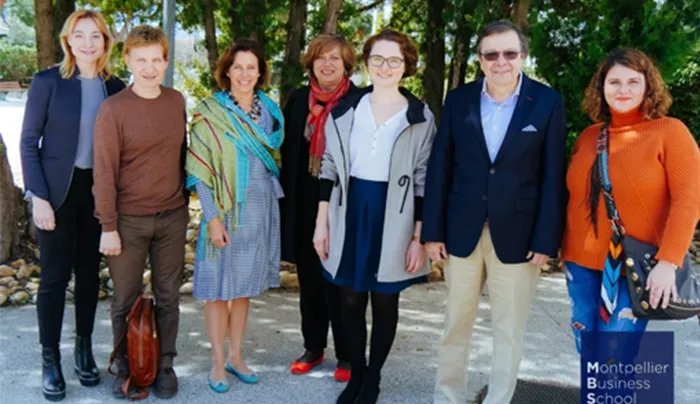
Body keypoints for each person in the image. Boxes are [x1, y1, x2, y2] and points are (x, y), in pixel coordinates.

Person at [421, 20, 567, 404]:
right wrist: (432, 231)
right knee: (455, 325)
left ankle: (499, 400)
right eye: (491, 54)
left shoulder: (548, 102)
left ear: (523, 55)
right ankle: (447, 398)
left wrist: (545, 239)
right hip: (460, 233)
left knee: (509, 330)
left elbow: (553, 177)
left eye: (509, 53)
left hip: (520, 237)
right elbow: (440, 168)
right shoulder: (459, 100)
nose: (500, 61)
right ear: (480, 59)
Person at [314, 29, 436, 404]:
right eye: (378, 59)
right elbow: (329, 166)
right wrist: (322, 223)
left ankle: (375, 379)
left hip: (394, 216)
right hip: (349, 211)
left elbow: (422, 180)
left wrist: (418, 237)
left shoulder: (420, 116)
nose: (385, 67)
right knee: (349, 298)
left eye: (394, 60)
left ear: (406, 66)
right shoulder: (346, 108)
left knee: (385, 300)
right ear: (367, 62)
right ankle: (357, 373)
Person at [561, 48, 700, 352]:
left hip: (634, 266)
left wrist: (668, 262)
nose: (623, 89)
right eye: (614, 82)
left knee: (615, 354)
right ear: (602, 88)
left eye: (633, 82)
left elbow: (688, 201)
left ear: (648, 86)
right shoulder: (589, 137)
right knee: (588, 350)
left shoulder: (670, 132)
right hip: (580, 265)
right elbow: (575, 198)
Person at [19, 9, 125, 401]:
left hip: (98, 195)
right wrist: (39, 197)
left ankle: (83, 351)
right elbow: (29, 142)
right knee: (53, 279)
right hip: (56, 193)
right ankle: (50, 361)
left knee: (88, 277)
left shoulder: (116, 87)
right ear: (67, 40)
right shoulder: (48, 82)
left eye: (95, 36)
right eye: (79, 35)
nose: (87, 43)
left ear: (105, 42)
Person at [93, 25, 189, 399]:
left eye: (156, 60)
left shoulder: (176, 101)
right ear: (128, 60)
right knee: (125, 299)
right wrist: (108, 225)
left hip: (171, 216)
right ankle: (125, 366)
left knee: (169, 297)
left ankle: (164, 364)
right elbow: (103, 171)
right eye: (141, 60)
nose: (149, 67)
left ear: (165, 61)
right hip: (127, 221)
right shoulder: (113, 108)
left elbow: (180, 157)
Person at [186, 39, 284, 393]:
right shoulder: (209, 112)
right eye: (238, 67)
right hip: (223, 212)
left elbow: (274, 161)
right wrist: (211, 219)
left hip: (259, 209)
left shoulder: (270, 112)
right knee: (217, 291)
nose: (245, 74)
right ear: (227, 71)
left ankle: (237, 357)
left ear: (260, 73)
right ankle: (216, 362)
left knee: (243, 291)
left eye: (251, 68)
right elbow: (199, 171)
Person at [280, 34, 361, 382]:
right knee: (310, 279)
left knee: (342, 282)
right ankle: (314, 346)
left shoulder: (360, 102)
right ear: (310, 63)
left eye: (334, 58)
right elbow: (285, 155)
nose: (327, 64)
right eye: (320, 58)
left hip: (344, 202)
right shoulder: (298, 100)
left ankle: (348, 354)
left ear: (346, 65)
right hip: (303, 202)